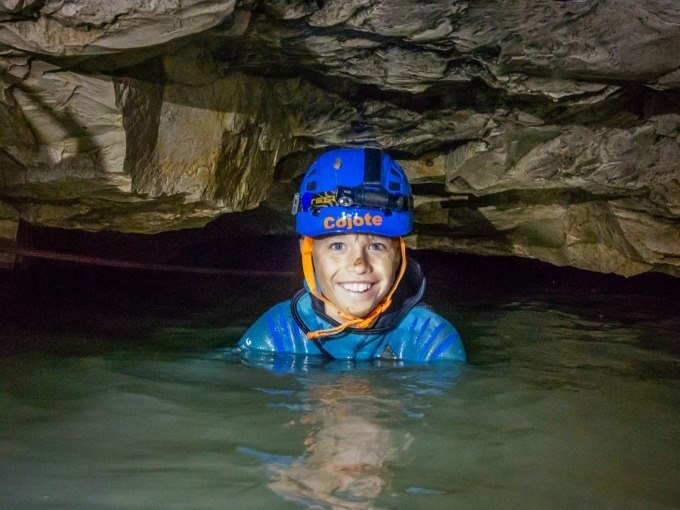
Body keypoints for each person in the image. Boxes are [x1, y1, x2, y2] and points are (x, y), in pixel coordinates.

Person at [237, 147, 466, 362]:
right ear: (309, 253)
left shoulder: (432, 345)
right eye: (337, 246)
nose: (359, 265)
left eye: (377, 246)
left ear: (398, 255)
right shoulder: (274, 336)